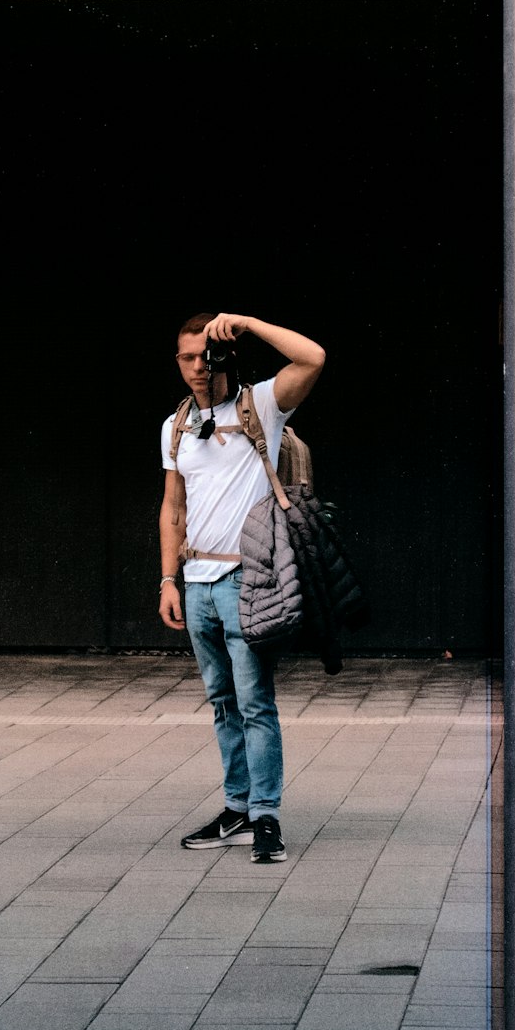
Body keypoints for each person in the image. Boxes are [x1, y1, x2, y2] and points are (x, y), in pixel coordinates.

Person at [158, 311, 326, 863]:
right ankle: (237, 806)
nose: (198, 368)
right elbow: (173, 507)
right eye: (188, 357)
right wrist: (168, 579)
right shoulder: (176, 425)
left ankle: (266, 816)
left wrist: (249, 324)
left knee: (255, 702)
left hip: (245, 580)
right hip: (198, 583)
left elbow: (313, 357)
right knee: (222, 703)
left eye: (207, 355)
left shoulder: (260, 405)